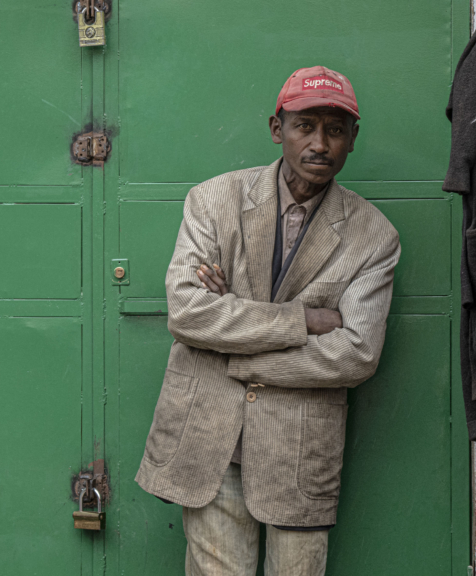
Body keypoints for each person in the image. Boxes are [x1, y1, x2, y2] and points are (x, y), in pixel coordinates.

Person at [135, 66, 401, 576]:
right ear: (278, 129)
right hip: (207, 436)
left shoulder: (374, 236)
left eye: (335, 130)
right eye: (305, 126)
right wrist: (302, 321)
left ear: (353, 139)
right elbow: (188, 312)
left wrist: (234, 352)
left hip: (298, 449)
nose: (319, 143)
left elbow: (357, 354)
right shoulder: (214, 200)